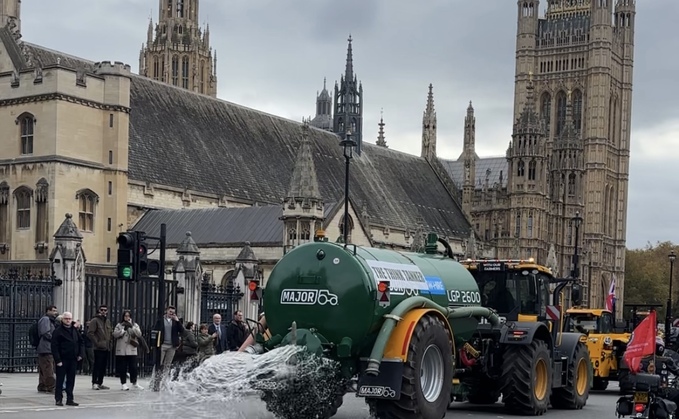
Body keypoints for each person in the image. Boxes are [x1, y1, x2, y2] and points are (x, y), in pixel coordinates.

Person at [51, 311, 83, 407]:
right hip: (62, 359)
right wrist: (58, 360)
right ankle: (58, 399)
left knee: (71, 380)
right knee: (60, 380)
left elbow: (81, 342)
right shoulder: (58, 331)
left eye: (69, 319)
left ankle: (70, 398)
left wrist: (80, 354)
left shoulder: (74, 330)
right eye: (66, 319)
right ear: (62, 319)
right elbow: (54, 346)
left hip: (73, 359)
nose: (68, 320)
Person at [638, 337, 679, 406]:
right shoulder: (666, 360)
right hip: (660, 390)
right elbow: (676, 371)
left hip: (641, 390)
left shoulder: (640, 360)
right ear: (661, 349)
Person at [113, 310, 143, 391]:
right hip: (122, 350)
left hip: (131, 349)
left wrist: (132, 327)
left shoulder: (135, 325)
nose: (127, 317)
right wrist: (122, 331)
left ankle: (134, 382)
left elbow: (139, 334)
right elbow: (115, 334)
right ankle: (123, 383)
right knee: (122, 367)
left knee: (133, 367)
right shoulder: (119, 325)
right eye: (125, 316)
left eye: (128, 316)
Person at [88, 305, 113, 390]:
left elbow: (110, 333)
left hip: (106, 347)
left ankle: (100, 382)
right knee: (97, 365)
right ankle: (94, 382)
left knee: (103, 366)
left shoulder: (107, 321)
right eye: (102, 310)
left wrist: (110, 343)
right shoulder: (95, 320)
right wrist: (97, 343)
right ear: (99, 310)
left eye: (105, 310)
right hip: (98, 348)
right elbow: (90, 333)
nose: (103, 311)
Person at [37, 305, 58, 394]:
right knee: (48, 368)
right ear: (48, 311)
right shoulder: (46, 319)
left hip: (46, 347)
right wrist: (54, 339)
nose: (55, 313)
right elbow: (45, 332)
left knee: (44, 368)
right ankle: (50, 386)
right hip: (46, 347)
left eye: (55, 311)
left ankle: (43, 385)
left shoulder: (50, 320)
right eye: (53, 311)